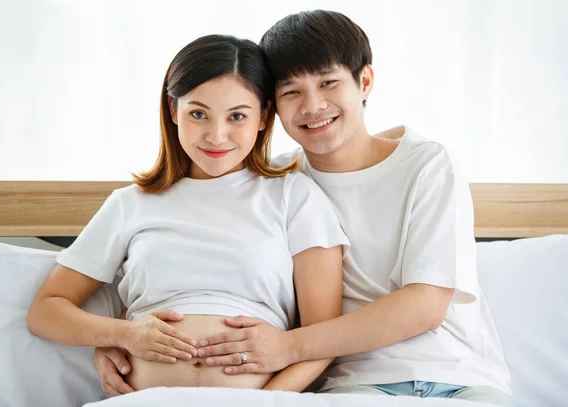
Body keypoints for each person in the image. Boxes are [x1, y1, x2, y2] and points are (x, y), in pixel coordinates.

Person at [94, 10, 513, 406]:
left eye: (329, 83)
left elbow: (423, 304)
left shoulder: (426, 164)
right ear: (270, 108)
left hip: (461, 378)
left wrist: (286, 347)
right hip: (354, 384)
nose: (312, 106)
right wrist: (114, 341)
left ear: (364, 81)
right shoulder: (273, 185)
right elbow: (178, 263)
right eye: (291, 91)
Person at [27, 34, 349, 396]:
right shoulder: (130, 204)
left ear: (263, 117)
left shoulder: (294, 196)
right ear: (172, 110)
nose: (216, 135)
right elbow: (46, 311)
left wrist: (265, 402)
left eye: (237, 116)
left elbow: (324, 337)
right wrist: (123, 334)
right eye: (198, 114)